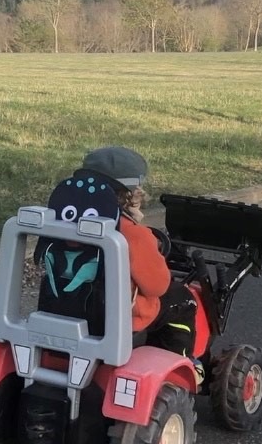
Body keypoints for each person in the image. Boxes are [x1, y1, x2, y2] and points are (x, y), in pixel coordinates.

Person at [80, 146, 200, 373]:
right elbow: (158, 285)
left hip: (70, 308)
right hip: (118, 320)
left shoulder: (63, 222)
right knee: (182, 299)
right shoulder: (134, 234)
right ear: (128, 196)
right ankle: (175, 366)